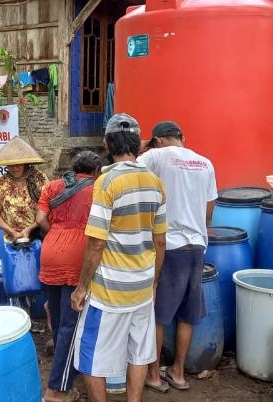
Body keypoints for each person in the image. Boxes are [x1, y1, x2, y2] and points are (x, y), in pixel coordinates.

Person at [71, 113, 167, 402]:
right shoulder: (155, 182)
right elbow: (160, 241)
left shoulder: (106, 181)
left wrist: (81, 287)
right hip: (141, 286)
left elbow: (96, 242)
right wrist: (154, 282)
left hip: (109, 290)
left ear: (106, 142)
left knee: (90, 354)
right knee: (139, 352)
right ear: (138, 144)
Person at [138, 121, 217, 392]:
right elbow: (209, 211)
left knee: (159, 314)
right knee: (187, 314)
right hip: (197, 246)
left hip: (169, 246)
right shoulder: (205, 163)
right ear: (182, 137)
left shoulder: (156, 156)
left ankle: (154, 376)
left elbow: (128, 169)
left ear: (158, 140)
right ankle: (179, 372)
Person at [36, 150, 102, 402]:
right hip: (78, 256)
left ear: (74, 168)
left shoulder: (53, 186)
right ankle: (57, 390)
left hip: (50, 252)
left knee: (58, 316)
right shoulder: (97, 189)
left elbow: (40, 218)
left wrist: (56, 233)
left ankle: (61, 382)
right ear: (96, 171)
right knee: (71, 325)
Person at [0, 137, 50, 242]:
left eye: (18, 164)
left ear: (26, 163)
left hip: (39, 236)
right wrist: (12, 232)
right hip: (13, 238)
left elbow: (49, 209)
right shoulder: (1, 184)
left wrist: (30, 229)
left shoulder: (39, 179)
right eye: (11, 165)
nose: (14, 168)